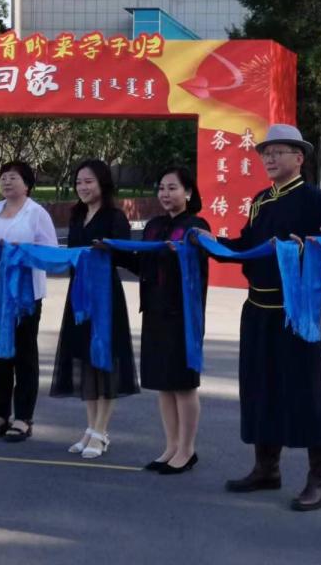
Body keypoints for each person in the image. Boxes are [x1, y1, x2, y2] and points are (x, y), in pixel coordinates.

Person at [195, 124, 321, 511]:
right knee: (260, 387)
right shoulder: (261, 200)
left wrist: (300, 250)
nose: (269, 159)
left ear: (299, 157)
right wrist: (213, 244)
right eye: (265, 153)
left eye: (277, 152)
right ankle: (266, 467)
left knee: (306, 392)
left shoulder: (313, 199)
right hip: (257, 308)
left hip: (295, 314)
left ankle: (319, 478)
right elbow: (246, 245)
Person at [109, 167, 210, 475]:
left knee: (183, 384)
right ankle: (171, 446)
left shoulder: (196, 227)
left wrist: (178, 252)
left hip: (182, 315)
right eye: (162, 188)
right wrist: (113, 250)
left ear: (188, 192)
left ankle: (187, 450)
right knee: (163, 385)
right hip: (154, 312)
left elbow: (197, 265)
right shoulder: (154, 226)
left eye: (172, 188)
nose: (165, 194)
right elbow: (143, 265)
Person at [50, 159, 139, 458]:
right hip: (79, 296)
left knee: (105, 361)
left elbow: (125, 255)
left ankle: (102, 431)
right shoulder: (77, 215)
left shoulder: (115, 216)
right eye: (79, 182)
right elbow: (71, 256)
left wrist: (108, 249)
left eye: (88, 181)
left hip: (105, 296)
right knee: (85, 360)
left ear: (103, 183)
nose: (82, 187)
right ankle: (90, 428)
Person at [0, 161, 57, 442]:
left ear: (27, 184)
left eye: (13, 177)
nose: (6, 182)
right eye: (3, 177)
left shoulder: (36, 213)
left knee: (24, 355)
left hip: (23, 295)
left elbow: (50, 253)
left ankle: (23, 417)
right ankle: (0, 414)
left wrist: (23, 251)